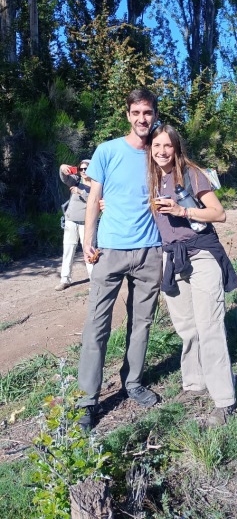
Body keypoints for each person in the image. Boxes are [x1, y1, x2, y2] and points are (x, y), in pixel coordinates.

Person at [77, 88, 162, 431]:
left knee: (141, 323)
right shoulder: (107, 151)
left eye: (149, 113)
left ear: (156, 115)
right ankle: (87, 400)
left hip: (149, 252)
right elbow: (93, 196)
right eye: (137, 112)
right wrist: (88, 239)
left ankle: (133, 383)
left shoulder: (159, 152)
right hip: (109, 250)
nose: (143, 119)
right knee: (96, 326)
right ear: (128, 114)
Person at [148, 124, 237, 427]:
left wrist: (182, 212)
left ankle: (224, 400)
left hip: (201, 255)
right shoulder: (149, 179)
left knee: (210, 325)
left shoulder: (191, 173)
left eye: (167, 146)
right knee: (187, 327)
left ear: (176, 148)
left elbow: (219, 213)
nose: (162, 151)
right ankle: (194, 383)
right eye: (156, 145)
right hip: (172, 258)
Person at [55, 160, 95, 291]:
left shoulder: (97, 184)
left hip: (87, 222)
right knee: (68, 250)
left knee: (89, 250)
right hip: (71, 220)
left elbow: (96, 199)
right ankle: (65, 280)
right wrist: (62, 168)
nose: (83, 171)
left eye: (86, 169)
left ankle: (93, 280)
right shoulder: (76, 180)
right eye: (81, 168)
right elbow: (64, 178)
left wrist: (81, 192)